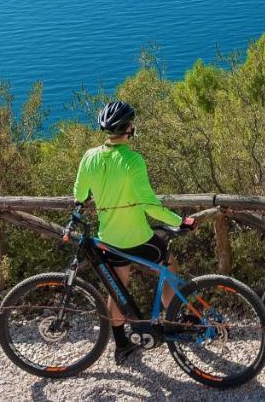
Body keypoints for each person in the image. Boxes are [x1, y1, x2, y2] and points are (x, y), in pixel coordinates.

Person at [74, 100, 192, 364]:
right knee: (169, 267)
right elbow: (149, 204)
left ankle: (121, 344)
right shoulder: (132, 160)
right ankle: (172, 323)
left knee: (117, 288)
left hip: (110, 239)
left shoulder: (89, 157)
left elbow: (80, 195)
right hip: (138, 237)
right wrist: (179, 221)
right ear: (129, 129)